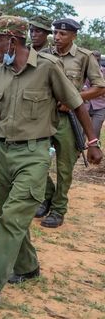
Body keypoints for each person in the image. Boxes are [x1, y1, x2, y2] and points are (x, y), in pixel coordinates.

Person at [0, 15, 102, 309]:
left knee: (12, 217)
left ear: (12, 41)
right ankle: (28, 266)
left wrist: (92, 142)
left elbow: (77, 103)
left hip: (34, 154)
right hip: (2, 152)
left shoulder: (47, 67)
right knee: (10, 215)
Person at [36, 18, 105, 227]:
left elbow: (100, 87)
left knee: (65, 169)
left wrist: (75, 98)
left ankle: (58, 209)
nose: (57, 37)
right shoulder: (43, 55)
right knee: (36, 161)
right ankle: (47, 196)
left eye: (62, 34)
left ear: (74, 35)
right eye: (55, 33)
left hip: (70, 119)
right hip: (44, 116)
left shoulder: (84, 57)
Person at [85, 51, 105, 139]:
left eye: (97, 60)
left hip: (100, 106)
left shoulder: (103, 72)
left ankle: (93, 151)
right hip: (84, 105)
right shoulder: (82, 72)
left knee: (95, 132)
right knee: (79, 132)